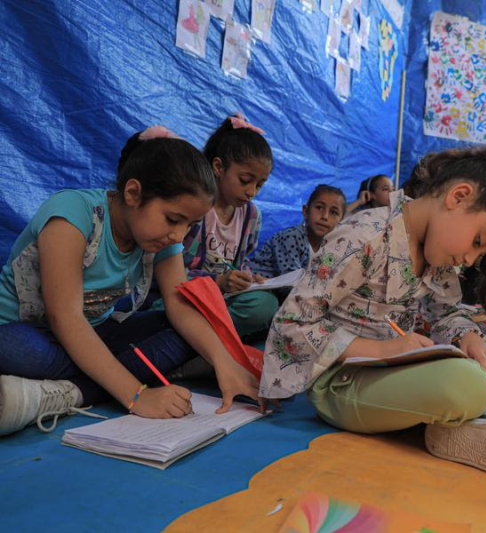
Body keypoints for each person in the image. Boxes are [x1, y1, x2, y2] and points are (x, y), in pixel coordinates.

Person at [259, 146, 486, 481]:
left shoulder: (438, 252)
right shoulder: (363, 237)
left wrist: (467, 336)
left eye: (482, 253)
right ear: (458, 196)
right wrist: (381, 350)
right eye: (478, 241)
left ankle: (480, 420)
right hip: (345, 384)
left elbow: (444, 312)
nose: (471, 260)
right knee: (467, 381)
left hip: (405, 366)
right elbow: (292, 323)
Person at [0, 127, 261, 436]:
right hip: (29, 333)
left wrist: (224, 363)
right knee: (19, 350)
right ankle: (103, 383)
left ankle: (71, 392)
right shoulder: (72, 215)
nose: (178, 236)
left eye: (189, 225)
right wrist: (137, 396)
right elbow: (65, 318)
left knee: (183, 330)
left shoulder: (163, 239)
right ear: (133, 193)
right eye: (173, 219)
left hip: (94, 334)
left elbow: (179, 305)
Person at [181, 113, 278, 340]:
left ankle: (199, 340)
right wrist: (217, 282)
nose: (251, 191)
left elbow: (240, 263)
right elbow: (170, 272)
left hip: (223, 300)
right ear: (218, 167)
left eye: (259, 185)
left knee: (266, 304)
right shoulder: (196, 207)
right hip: (187, 295)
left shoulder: (251, 215)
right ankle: (204, 341)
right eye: (245, 180)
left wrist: (248, 279)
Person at [252, 184, 346, 279]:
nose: (325, 216)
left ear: (341, 222)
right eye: (319, 208)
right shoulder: (292, 236)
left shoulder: (331, 247)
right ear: (305, 212)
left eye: (333, 212)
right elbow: (289, 283)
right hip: (253, 285)